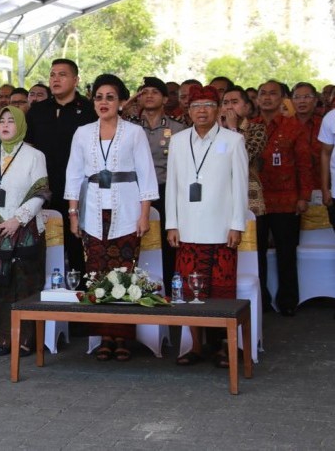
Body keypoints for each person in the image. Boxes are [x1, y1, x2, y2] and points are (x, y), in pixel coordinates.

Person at [65, 74, 157, 362]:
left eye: (110, 97)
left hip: (127, 210)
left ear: (121, 102)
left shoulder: (134, 133)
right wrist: (72, 213)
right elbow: (73, 174)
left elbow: (146, 175)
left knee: (124, 273)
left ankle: (123, 338)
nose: (103, 102)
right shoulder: (82, 132)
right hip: (92, 211)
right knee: (97, 273)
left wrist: (144, 215)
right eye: (99, 97)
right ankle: (104, 336)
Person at [166, 86, 248, 366]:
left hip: (222, 227)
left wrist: (237, 224)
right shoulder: (178, 141)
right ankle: (196, 345)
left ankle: (226, 346)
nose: (201, 110)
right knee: (191, 291)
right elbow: (173, 186)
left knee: (223, 290)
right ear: (188, 110)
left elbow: (240, 185)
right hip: (187, 226)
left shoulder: (233, 140)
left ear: (218, 109)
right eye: (196, 105)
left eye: (208, 105)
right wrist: (171, 223)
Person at [0, 106, 50, 357]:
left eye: (10, 121)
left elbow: (41, 193)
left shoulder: (35, 155)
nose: (5, 125)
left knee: (22, 285)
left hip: (23, 229)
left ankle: (25, 339)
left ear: (21, 125)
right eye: (1, 121)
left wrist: (18, 219)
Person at [26, 58, 96, 274]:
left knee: (77, 246)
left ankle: (81, 294)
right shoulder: (38, 111)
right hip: (44, 188)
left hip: (79, 190)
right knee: (44, 246)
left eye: (62, 74)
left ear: (75, 79)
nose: (55, 79)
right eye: (52, 75)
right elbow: (28, 148)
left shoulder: (89, 110)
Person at [252, 80, 313, 316]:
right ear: (257, 99)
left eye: (273, 94)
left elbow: (304, 165)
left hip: (287, 199)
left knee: (286, 253)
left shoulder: (293, 127)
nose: (267, 98)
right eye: (263, 94)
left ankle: (288, 301)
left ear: (282, 98)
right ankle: (262, 302)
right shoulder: (250, 127)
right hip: (255, 201)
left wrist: (303, 196)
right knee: (256, 254)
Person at [131, 76, 185, 293]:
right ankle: (136, 289)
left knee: (168, 242)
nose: (149, 95)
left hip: (165, 191)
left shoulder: (178, 128)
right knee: (136, 242)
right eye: (145, 92)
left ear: (165, 98)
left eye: (155, 92)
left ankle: (171, 290)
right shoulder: (130, 127)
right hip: (136, 193)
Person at [220, 87, 266, 217]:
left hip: (249, 194)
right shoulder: (216, 131)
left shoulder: (257, 129)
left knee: (252, 236)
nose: (229, 107)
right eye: (225, 103)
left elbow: (246, 157)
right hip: (221, 194)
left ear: (246, 107)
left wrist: (232, 129)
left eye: (234, 102)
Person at [292, 83, 322, 191]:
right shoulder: (285, 125)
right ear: (292, 101)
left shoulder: (323, 125)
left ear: (315, 101)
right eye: (297, 97)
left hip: (320, 185)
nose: (302, 101)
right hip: (291, 187)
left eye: (307, 97)